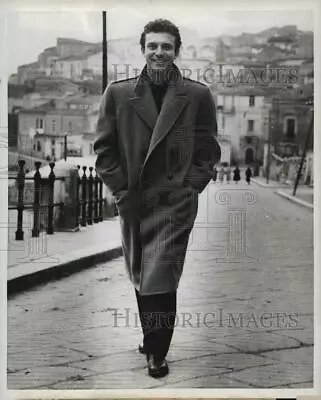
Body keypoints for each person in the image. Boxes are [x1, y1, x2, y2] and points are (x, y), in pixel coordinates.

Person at [94, 19, 221, 379]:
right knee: (140, 272)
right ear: (143, 50)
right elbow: (104, 150)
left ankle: (158, 352)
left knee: (160, 273)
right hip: (133, 201)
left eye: (166, 46)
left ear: (177, 50)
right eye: (153, 46)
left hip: (174, 203)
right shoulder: (118, 94)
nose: (159, 52)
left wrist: (190, 187)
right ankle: (152, 336)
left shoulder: (196, 95)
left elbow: (208, 148)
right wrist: (120, 191)